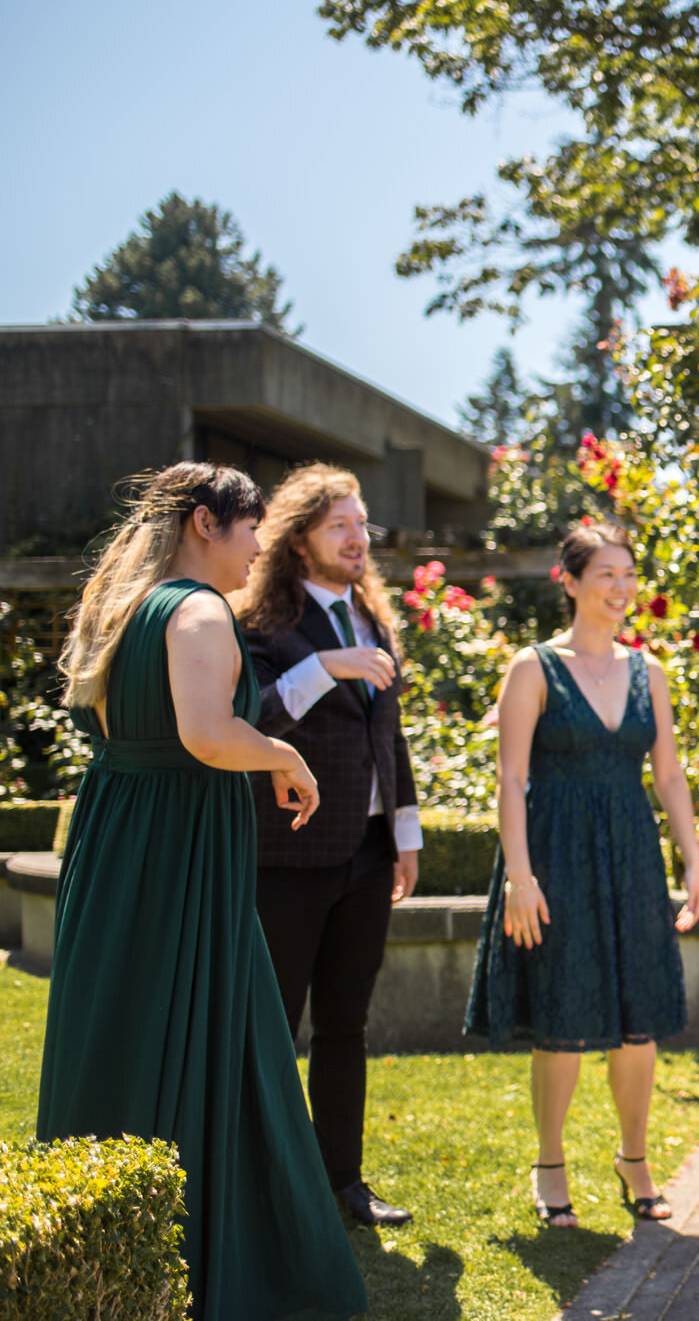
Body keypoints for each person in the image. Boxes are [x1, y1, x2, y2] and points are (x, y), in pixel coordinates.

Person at [39, 462, 366, 1319]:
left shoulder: (121, 607)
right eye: (249, 527)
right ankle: (228, 1249)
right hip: (181, 843)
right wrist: (284, 755)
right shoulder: (196, 609)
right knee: (216, 1027)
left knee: (123, 1017)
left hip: (119, 837)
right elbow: (206, 733)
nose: (259, 546)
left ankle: (96, 1242)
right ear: (202, 522)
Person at [466, 522, 699, 1228]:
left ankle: (635, 1158)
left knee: (640, 1018)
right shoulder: (531, 668)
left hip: (633, 854)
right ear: (568, 580)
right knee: (563, 1015)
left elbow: (668, 773)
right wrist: (520, 873)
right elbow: (510, 778)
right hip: (556, 853)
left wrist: (693, 859)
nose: (622, 588)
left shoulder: (649, 672)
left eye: (629, 574)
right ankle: (550, 1163)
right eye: (606, 573)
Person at [235, 464, 420, 1229]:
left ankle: (342, 1180)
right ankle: (263, 1181)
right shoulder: (261, 626)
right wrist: (326, 665)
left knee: (347, 1022)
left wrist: (404, 837)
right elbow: (256, 720)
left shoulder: (372, 619)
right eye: (339, 524)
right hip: (290, 856)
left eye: (362, 523)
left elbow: (390, 736)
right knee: (275, 1021)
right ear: (298, 540)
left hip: (369, 856)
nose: (358, 537)